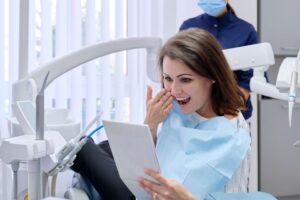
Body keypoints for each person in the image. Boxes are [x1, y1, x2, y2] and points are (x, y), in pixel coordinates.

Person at [71, 28, 252, 200]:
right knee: (105, 147)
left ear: (213, 76)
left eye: (186, 79)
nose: (174, 90)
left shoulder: (233, 134)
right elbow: (162, 151)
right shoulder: (176, 106)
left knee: (81, 147)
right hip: (147, 184)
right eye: (168, 78)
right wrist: (151, 124)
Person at [179, 0, 257, 121]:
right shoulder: (188, 27)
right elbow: (180, 69)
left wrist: (231, 113)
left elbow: (248, 80)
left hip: (231, 111)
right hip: (195, 112)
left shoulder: (246, 30)